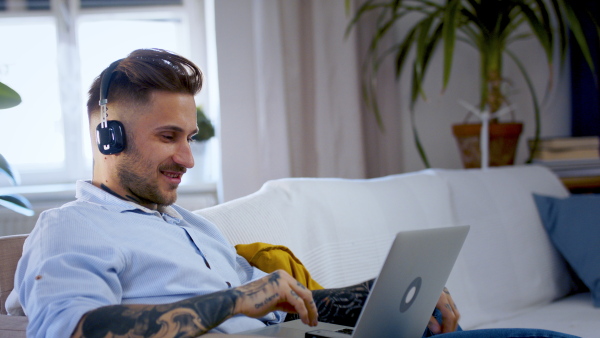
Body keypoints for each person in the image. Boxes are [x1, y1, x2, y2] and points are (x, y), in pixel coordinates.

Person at [11, 49, 577, 338]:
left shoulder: (192, 227)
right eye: (167, 138)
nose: (185, 158)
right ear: (107, 136)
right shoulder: (70, 229)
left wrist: (383, 294)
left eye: (190, 138)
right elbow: (77, 331)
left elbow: (285, 308)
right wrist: (236, 299)